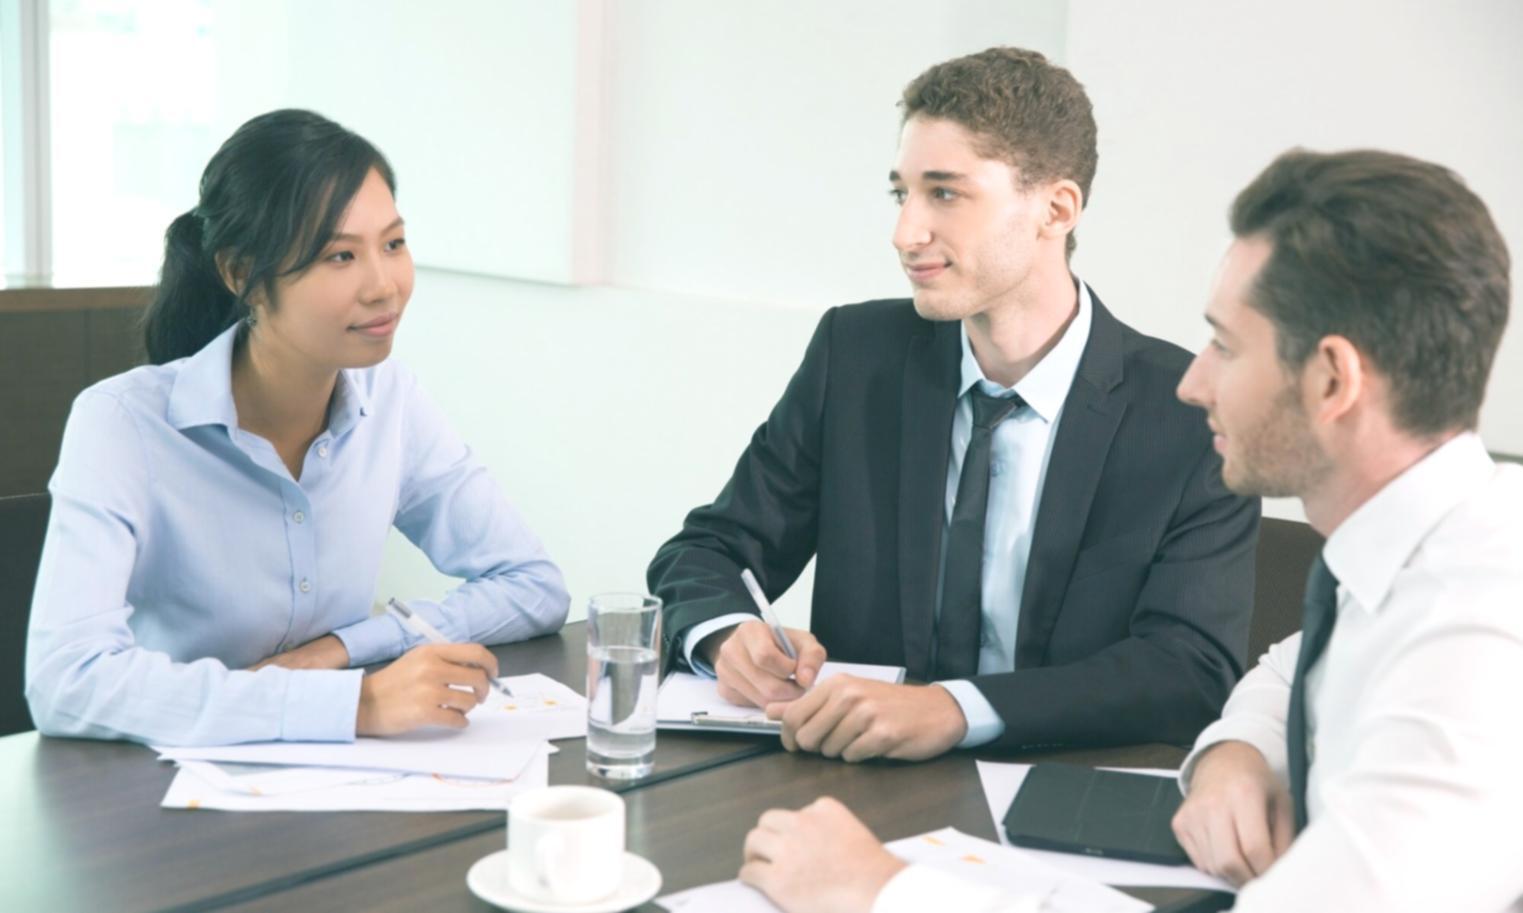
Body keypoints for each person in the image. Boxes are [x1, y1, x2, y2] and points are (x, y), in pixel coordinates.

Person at [738, 149, 1523, 912]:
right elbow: (1293, 666)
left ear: (1330, 379)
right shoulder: (1423, 543)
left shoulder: (1474, 652)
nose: (1192, 380)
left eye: (1225, 345)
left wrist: (883, 892)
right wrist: (1235, 750)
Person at [648, 46, 1258, 762]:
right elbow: (709, 549)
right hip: (854, 778)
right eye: (900, 193)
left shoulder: (1186, 409)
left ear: (1054, 208)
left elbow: (1187, 668)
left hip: (1060, 786)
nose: (905, 232)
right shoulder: (856, 354)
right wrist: (725, 634)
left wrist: (953, 710)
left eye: (944, 193)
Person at [25, 109, 570, 747]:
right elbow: (65, 680)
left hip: (335, 780)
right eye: (340, 255)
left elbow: (533, 584)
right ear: (240, 275)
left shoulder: (391, 399)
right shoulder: (119, 422)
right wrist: (349, 705)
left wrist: (340, 650)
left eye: (393, 244)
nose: (384, 285)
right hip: (161, 789)